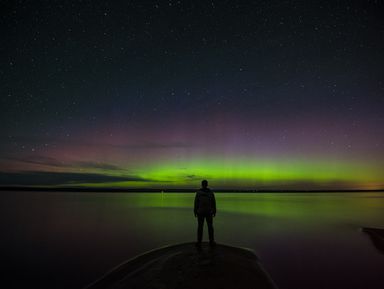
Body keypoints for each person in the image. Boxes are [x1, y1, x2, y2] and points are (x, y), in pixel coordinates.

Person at [194, 179, 216, 246]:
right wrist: (195, 210)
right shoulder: (198, 193)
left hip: (209, 212)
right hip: (200, 212)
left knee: (210, 227)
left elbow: (213, 202)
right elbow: (196, 202)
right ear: (202, 184)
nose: (204, 185)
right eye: (203, 184)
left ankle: (211, 241)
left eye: (205, 183)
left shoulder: (211, 192)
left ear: (206, 184)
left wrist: (214, 210)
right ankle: (199, 241)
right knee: (200, 227)